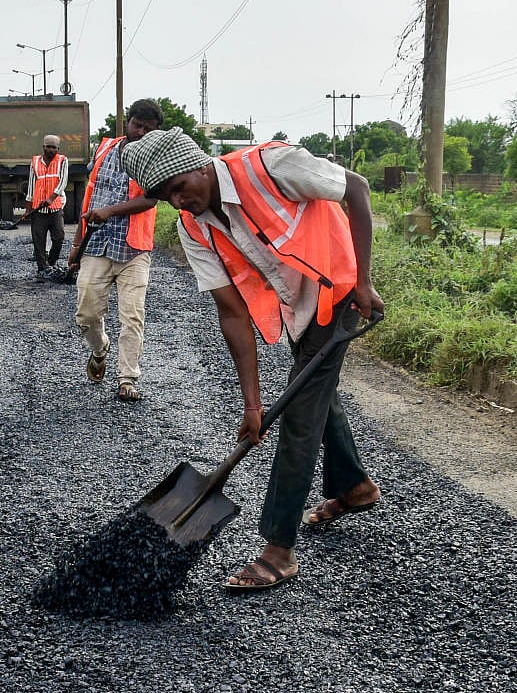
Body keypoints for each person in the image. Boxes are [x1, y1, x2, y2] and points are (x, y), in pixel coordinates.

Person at [121, 127, 385, 591]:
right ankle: (354, 487)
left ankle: (278, 550)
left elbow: (357, 188)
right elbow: (232, 311)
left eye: (181, 188)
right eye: (167, 197)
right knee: (312, 391)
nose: (179, 202)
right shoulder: (193, 227)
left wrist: (364, 281)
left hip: (338, 288)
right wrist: (252, 404)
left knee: (300, 414)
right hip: (297, 305)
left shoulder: (273, 166)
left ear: (201, 164)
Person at [67, 98, 164, 402]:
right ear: (128, 122)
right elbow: (90, 196)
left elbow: (150, 200)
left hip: (134, 250)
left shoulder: (153, 160)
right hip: (96, 244)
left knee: (132, 317)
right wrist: (76, 243)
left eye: (148, 130)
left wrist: (109, 211)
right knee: (86, 313)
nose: (141, 133)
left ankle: (128, 378)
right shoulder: (105, 148)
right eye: (137, 126)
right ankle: (100, 350)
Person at [26, 134, 69, 276]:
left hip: (56, 207)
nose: (50, 150)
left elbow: (63, 182)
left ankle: (51, 262)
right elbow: (31, 186)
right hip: (39, 210)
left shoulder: (62, 161)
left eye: (54, 147)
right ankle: (42, 269)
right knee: (38, 240)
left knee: (59, 237)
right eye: (48, 147)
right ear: (43, 147)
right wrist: (28, 209)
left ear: (58, 149)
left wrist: (51, 198)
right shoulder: (35, 162)